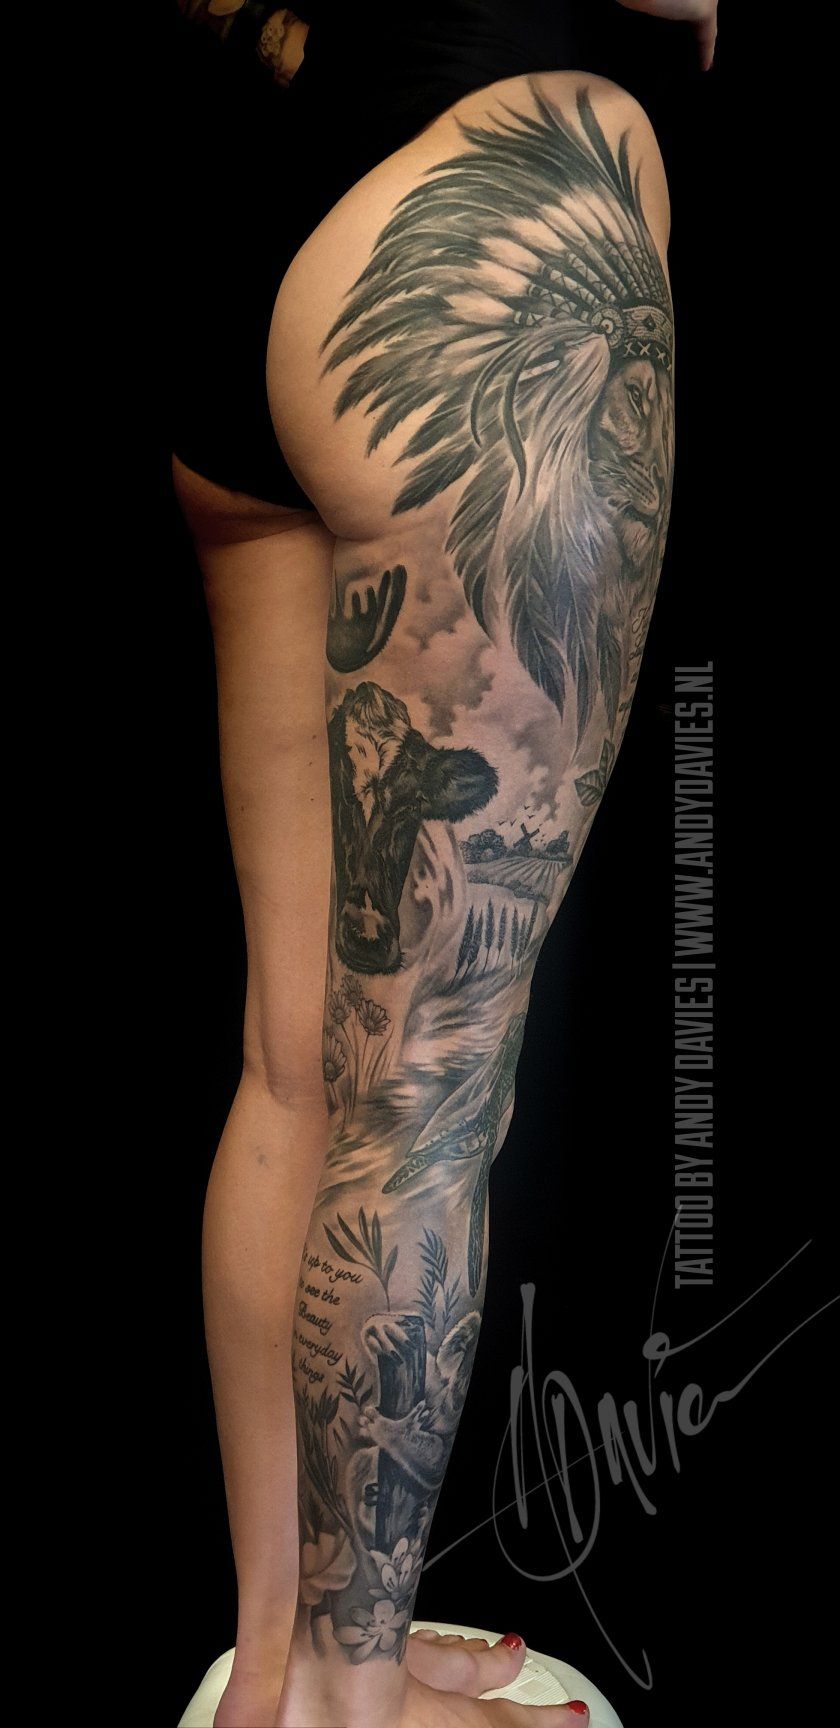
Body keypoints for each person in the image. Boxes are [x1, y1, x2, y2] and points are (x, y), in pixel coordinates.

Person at [168, 4, 717, 1724]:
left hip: (261, 221)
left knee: (297, 1062)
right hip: (490, 244)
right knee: (424, 1093)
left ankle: (281, 1665)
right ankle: (349, 1706)